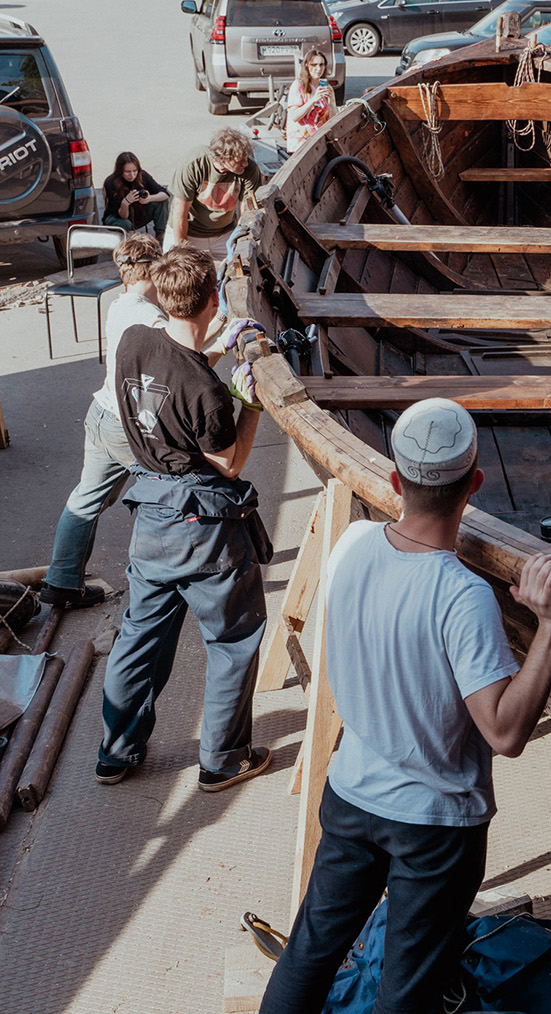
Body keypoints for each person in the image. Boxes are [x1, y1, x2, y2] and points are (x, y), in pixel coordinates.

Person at [260, 398, 551, 1013]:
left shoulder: (352, 543)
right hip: (435, 827)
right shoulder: (463, 596)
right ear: (474, 484)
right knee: (408, 987)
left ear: (396, 482)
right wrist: (550, 625)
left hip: (350, 795)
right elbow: (505, 732)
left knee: (312, 951)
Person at [95, 247, 272, 791]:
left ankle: (116, 753)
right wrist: (251, 403)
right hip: (203, 529)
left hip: (150, 515)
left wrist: (215, 353)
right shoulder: (209, 395)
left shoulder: (133, 342)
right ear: (215, 297)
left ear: (162, 294)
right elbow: (229, 461)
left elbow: (178, 373)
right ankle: (222, 760)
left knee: (139, 639)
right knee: (231, 640)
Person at [39, 235, 166, 609]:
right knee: (166, 495)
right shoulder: (152, 317)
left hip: (101, 415)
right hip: (128, 428)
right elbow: (176, 365)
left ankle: (62, 583)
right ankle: (159, 584)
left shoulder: (120, 303)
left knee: (85, 500)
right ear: (155, 269)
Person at [163, 128, 262, 256]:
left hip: (225, 234)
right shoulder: (194, 164)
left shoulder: (250, 170)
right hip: (189, 231)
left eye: (246, 157)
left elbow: (247, 212)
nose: (245, 163)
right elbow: (180, 211)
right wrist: (182, 248)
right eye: (239, 160)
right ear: (221, 158)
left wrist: (242, 241)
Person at [101, 151, 171, 237]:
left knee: (161, 201)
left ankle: (160, 235)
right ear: (120, 171)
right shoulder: (111, 182)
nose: (132, 175)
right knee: (125, 223)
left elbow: (165, 194)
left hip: (138, 215)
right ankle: (124, 240)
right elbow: (122, 216)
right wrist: (126, 202)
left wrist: (149, 198)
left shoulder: (142, 175)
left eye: (135, 171)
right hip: (119, 217)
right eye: (127, 172)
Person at [284, 46, 336, 153]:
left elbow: (333, 119)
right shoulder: (298, 86)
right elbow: (294, 116)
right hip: (300, 142)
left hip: (319, 141)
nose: (318, 69)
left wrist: (330, 104)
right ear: (307, 66)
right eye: (314, 65)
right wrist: (313, 100)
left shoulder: (328, 88)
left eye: (321, 65)